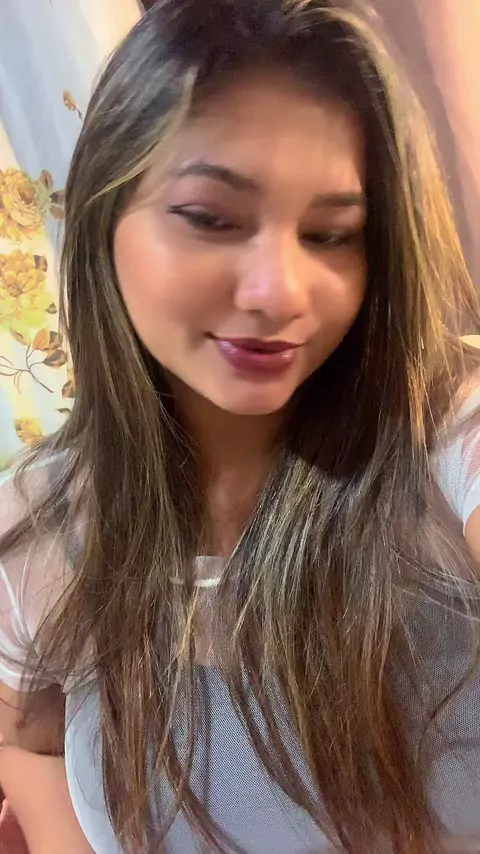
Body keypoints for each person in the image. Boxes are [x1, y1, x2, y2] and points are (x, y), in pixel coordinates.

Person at [1, 1, 480, 852]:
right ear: (106, 216)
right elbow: (28, 737)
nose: (280, 291)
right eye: (211, 218)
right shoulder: (38, 530)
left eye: (331, 234)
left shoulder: (442, 430)